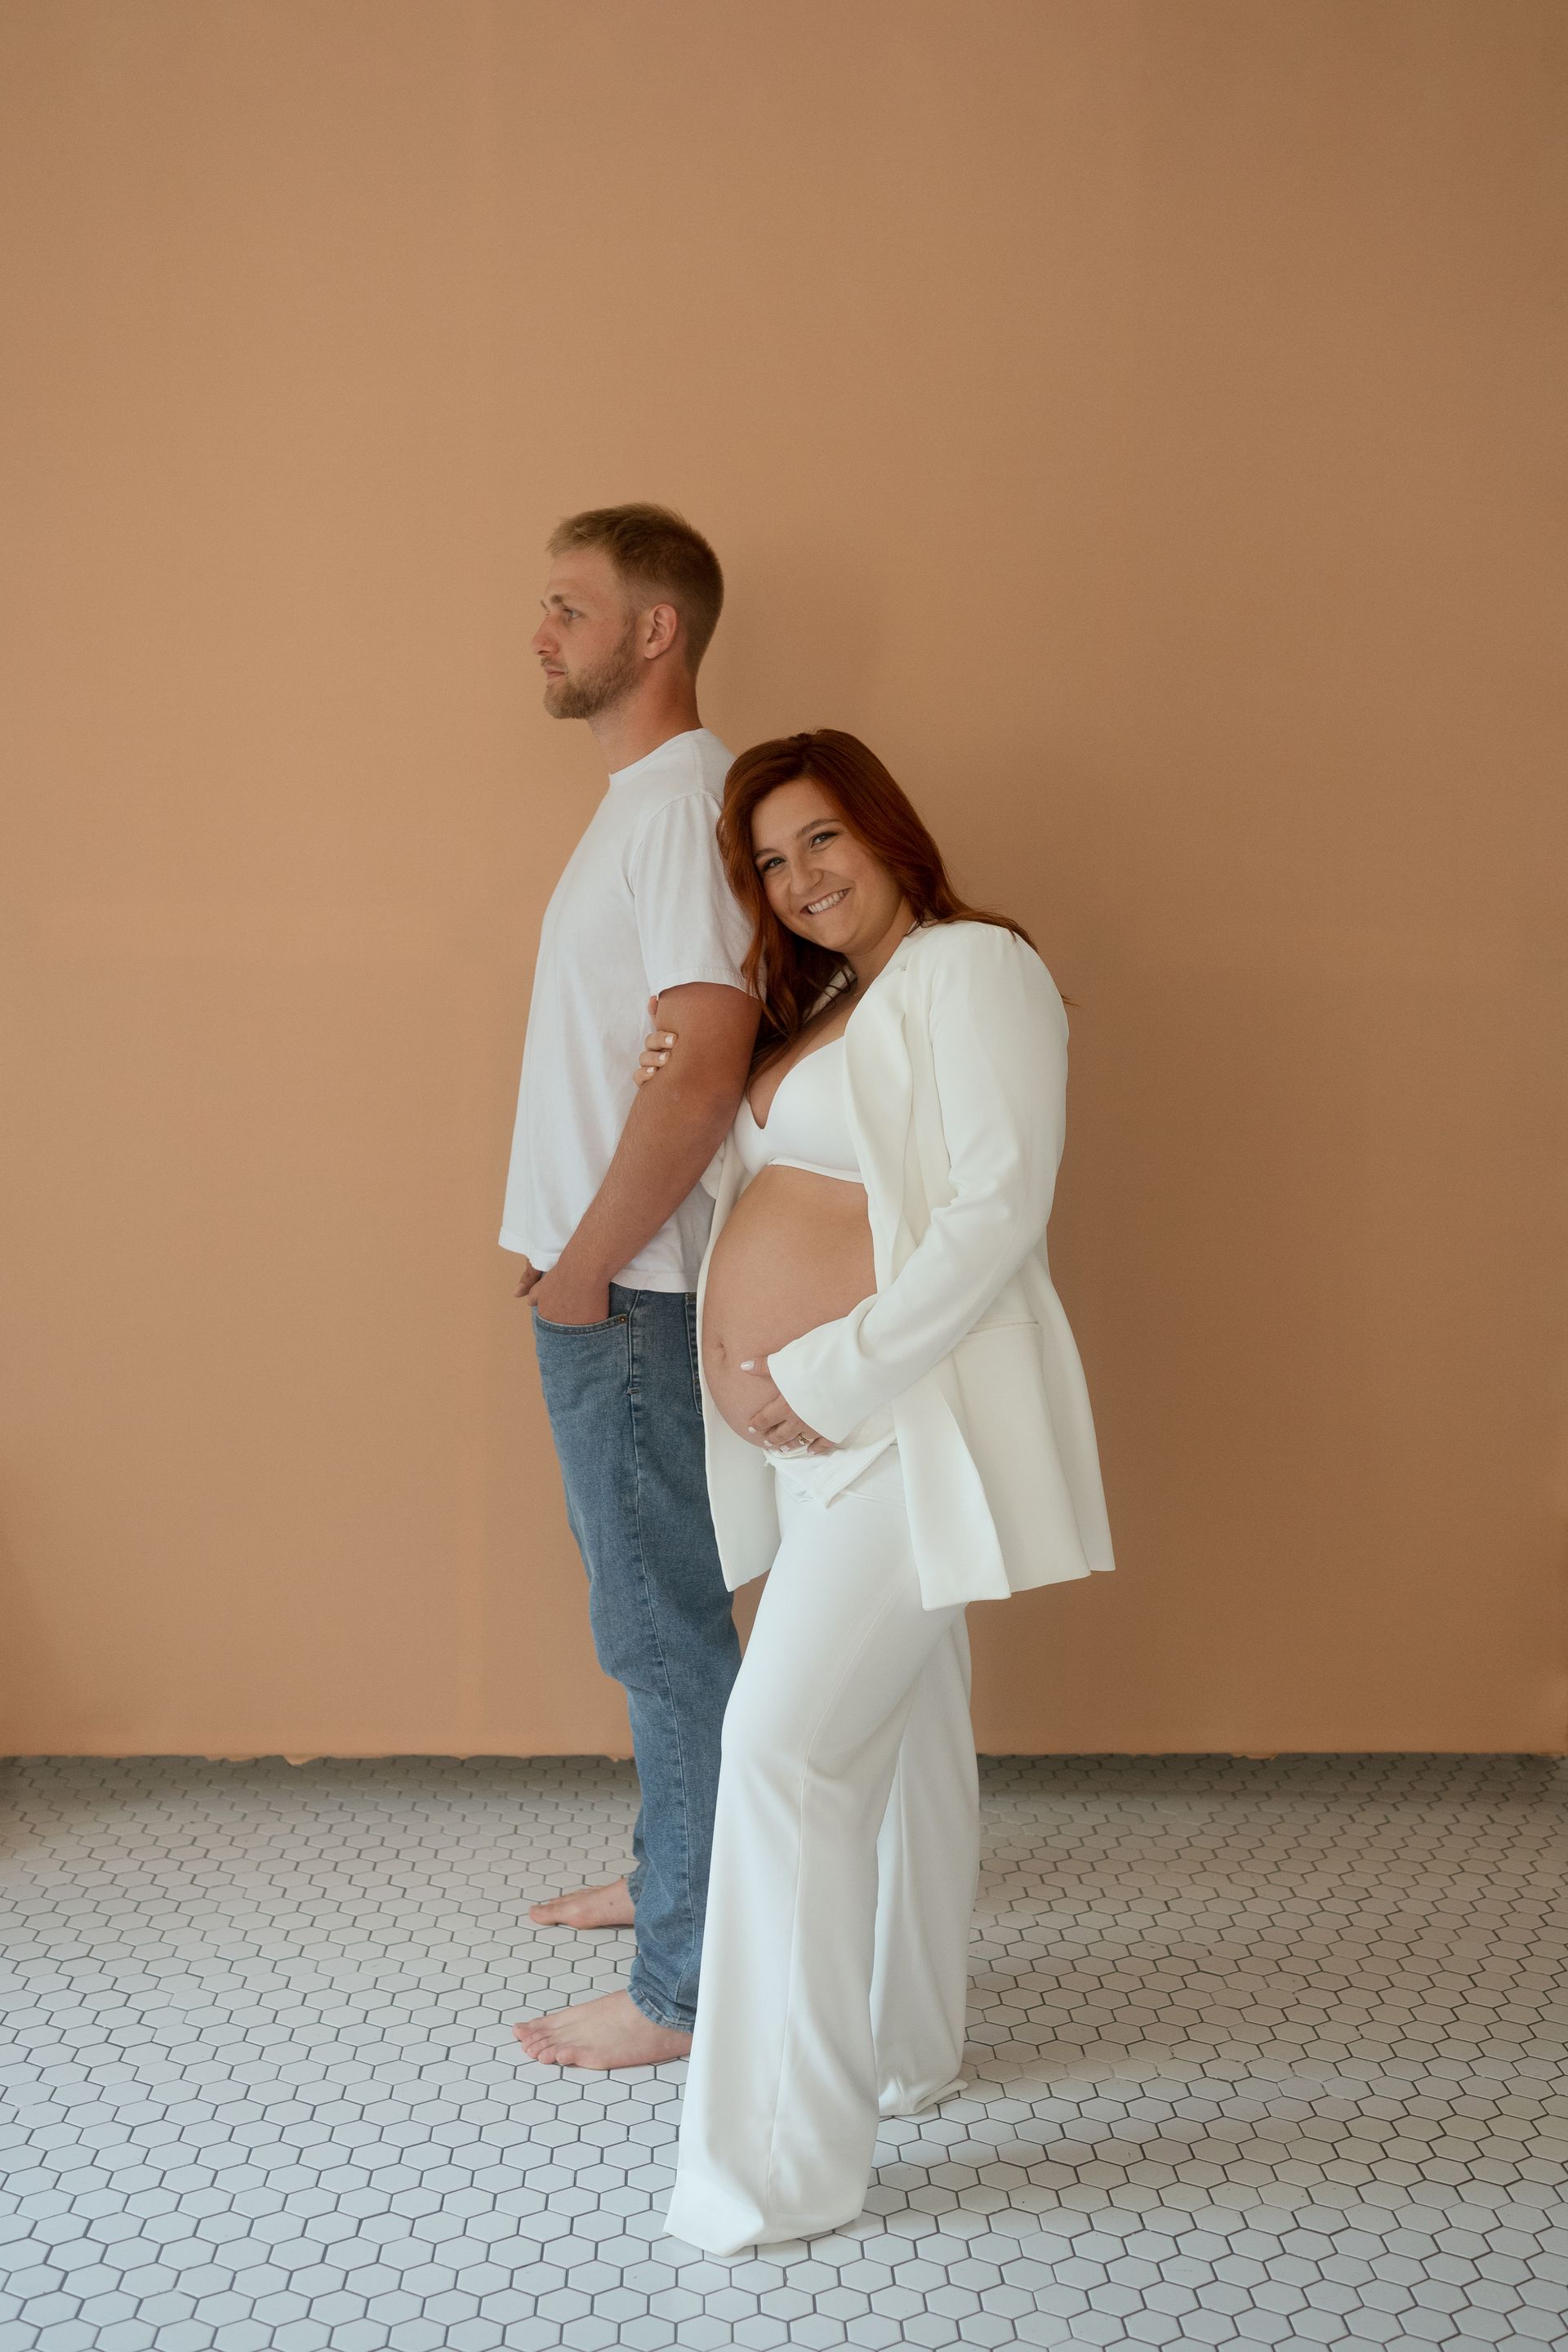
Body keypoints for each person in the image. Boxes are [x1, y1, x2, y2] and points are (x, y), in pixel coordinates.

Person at [631, 728, 1116, 2254]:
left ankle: (775, 2171)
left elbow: (994, 1213)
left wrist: (824, 1374)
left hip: (909, 1430)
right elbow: (797, 1185)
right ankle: (905, 2050)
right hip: (822, 1449)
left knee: (784, 1754)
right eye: (770, 863)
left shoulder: (975, 969)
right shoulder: (837, 1004)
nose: (799, 878)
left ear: (889, 829)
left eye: (821, 838)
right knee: (899, 1749)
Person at [502, 504, 760, 2069]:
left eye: (567, 607)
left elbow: (705, 1054)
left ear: (653, 630)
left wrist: (586, 1270)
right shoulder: (645, 806)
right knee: (654, 1627)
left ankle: (687, 1985)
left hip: (635, 1296)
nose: (540, 632)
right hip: (610, 1289)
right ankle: (678, 1882)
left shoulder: (679, 808)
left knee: (666, 1636)